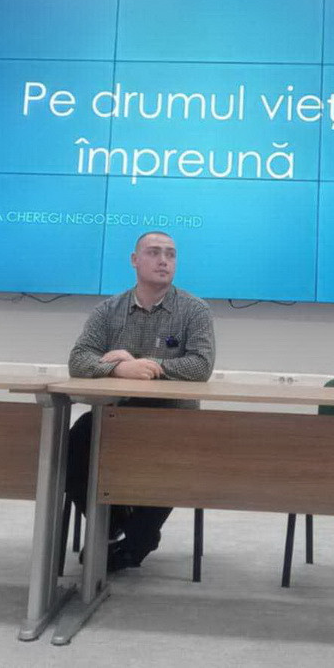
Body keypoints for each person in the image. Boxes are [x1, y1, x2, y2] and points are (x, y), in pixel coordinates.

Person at [66, 230, 215, 572]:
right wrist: (118, 368)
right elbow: (78, 360)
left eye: (171, 254)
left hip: (173, 421)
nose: (164, 260)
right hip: (116, 418)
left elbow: (200, 366)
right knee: (75, 441)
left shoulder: (194, 310)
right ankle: (112, 522)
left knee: (172, 459)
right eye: (154, 252)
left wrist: (146, 365)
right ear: (135, 260)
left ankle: (138, 541)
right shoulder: (109, 310)